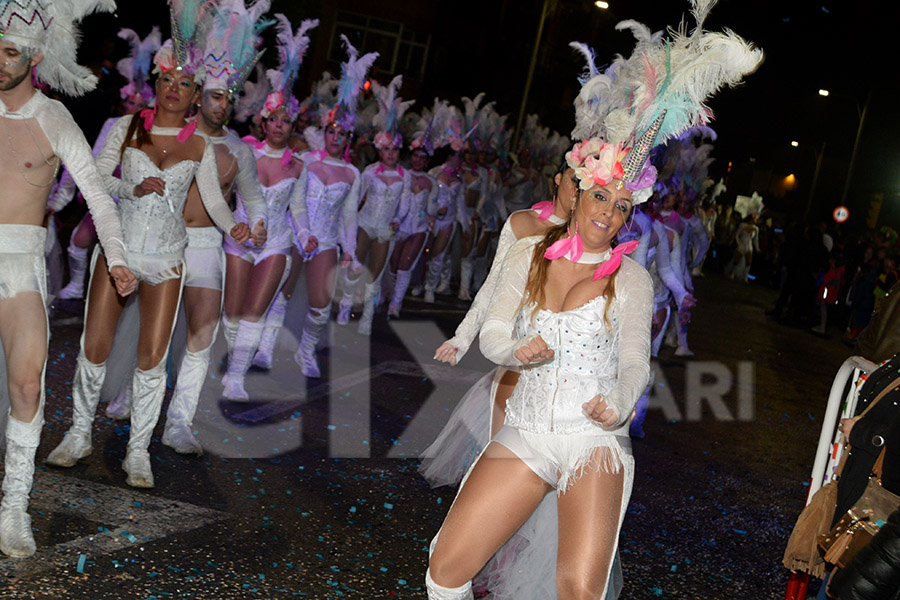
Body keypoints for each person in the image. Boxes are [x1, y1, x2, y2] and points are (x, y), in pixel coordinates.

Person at [424, 4, 762, 594]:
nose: (608, 214)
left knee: (579, 591)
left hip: (593, 441)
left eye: (622, 206)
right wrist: (512, 352)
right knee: (444, 569)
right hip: (525, 431)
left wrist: (622, 398)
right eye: (601, 197)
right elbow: (495, 331)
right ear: (578, 191)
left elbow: (636, 361)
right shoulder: (530, 252)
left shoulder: (631, 278)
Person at [45, 14, 252, 489]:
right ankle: (78, 435)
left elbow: (215, 202)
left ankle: (138, 451)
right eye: (167, 80)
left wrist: (234, 227)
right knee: (93, 347)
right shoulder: (126, 127)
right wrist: (132, 189)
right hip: (118, 252)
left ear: (196, 93)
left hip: (167, 260)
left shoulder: (198, 143)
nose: (174, 89)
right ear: (155, 83)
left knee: (152, 357)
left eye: (184, 83)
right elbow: (94, 181)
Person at [0, 0, 135, 557]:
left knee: (28, 384)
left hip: (20, 265)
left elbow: (98, 197)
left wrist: (119, 257)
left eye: (9, 51)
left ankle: (13, 508)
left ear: (33, 57)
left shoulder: (55, 119)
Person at [219, 14, 317, 399]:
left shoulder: (298, 165)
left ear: (292, 125)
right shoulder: (244, 151)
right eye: (273, 119)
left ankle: (237, 378)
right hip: (239, 239)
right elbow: (223, 195)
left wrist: (306, 235)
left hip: (276, 242)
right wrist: (232, 227)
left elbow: (299, 210)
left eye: (286, 120)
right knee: (232, 312)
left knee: (254, 312)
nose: (279, 125)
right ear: (263, 121)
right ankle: (228, 358)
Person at [50, 26, 161, 300]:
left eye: (139, 104)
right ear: (122, 104)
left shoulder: (154, 129)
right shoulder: (112, 125)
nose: (133, 108)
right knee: (79, 239)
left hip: (139, 202)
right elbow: (96, 159)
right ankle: (77, 285)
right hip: (111, 196)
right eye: (129, 103)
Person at [290, 35, 376, 378]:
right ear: (324, 132)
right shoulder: (305, 160)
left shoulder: (353, 173)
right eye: (331, 131)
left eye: (343, 134)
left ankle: (305, 351)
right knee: (279, 292)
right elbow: (291, 200)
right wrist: (300, 231)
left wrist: (349, 252)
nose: (336, 138)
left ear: (349, 138)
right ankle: (264, 347)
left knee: (321, 304)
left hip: (325, 240)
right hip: (296, 234)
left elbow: (349, 216)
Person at [337, 75, 412, 335]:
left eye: (393, 149)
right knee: (356, 267)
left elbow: (404, 205)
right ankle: (346, 307)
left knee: (375, 276)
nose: (390, 153)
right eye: (385, 149)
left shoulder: (405, 176)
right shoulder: (368, 172)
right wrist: (348, 223)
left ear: (398, 151)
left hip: (384, 230)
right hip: (365, 223)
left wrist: (397, 221)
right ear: (379, 151)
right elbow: (356, 200)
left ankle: (367, 317)